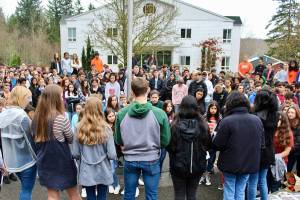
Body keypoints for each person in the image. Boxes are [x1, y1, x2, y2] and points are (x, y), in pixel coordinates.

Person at [114, 77, 171, 200]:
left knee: (129, 194)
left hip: (130, 158)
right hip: (151, 158)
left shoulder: (122, 114)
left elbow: (118, 140)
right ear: (149, 90)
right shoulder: (160, 113)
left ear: (132, 92)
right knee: (151, 195)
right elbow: (165, 140)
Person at [212, 91, 264, 200]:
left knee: (229, 190)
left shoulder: (227, 121)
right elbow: (261, 143)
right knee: (240, 190)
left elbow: (218, 144)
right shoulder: (257, 120)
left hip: (230, 163)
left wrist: (213, 136)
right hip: (249, 162)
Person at [32, 84, 80, 200]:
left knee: (52, 196)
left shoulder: (36, 119)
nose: (62, 98)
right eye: (60, 96)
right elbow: (70, 138)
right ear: (55, 99)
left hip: (44, 160)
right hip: (62, 161)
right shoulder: (61, 118)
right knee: (74, 194)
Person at [167, 95, 210, 200]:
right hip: (198, 165)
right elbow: (208, 145)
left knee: (179, 194)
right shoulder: (203, 125)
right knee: (192, 194)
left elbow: (170, 147)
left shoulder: (174, 125)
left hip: (178, 166)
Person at [73, 97, 117, 200]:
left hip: (86, 168)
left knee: (90, 196)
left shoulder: (78, 127)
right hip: (103, 168)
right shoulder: (106, 127)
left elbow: (75, 153)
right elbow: (112, 154)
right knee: (102, 196)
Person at [0, 86, 37, 200]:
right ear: (21, 98)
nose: (29, 101)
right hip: (27, 161)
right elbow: (31, 140)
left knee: (25, 190)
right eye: (28, 98)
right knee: (26, 191)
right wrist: (38, 158)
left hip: (10, 161)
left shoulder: (2, 114)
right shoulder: (22, 116)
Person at [247, 88, 279, 200]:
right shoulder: (275, 115)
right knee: (262, 180)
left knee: (252, 181)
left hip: (256, 151)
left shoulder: (254, 114)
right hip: (269, 150)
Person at [268, 112, 294, 193]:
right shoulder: (269, 130)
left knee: (275, 185)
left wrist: (276, 156)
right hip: (267, 161)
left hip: (279, 162)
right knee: (265, 184)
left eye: (278, 119)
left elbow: (287, 151)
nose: (276, 121)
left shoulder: (288, 133)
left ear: (283, 121)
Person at [200, 101, 222, 186]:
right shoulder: (204, 117)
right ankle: (204, 176)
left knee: (211, 160)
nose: (213, 110)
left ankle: (207, 174)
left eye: (215, 108)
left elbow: (220, 130)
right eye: (211, 108)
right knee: (203, 159)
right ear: (208, 109)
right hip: (204, 142)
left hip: (213, 143)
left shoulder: (219, 119)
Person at [104, 108, 121, 195]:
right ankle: (110, 184)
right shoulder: (104, 126)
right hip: (105, 152)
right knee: (108, 169)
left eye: (113, 116)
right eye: (109, 116)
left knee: (113, 170)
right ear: (106, 117)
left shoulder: (117, 125)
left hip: (114, 152)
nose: (112, 118)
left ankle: (117, 185)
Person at [287, 105, 300, 176]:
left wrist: (288, 150)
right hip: (289, 151)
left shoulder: (298, 124)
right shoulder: (286, 123)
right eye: (289, 112)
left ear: (296, 114)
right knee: (287, 170)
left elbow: (298, 142)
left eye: (292, 112)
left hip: (295, 151)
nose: (290, 114)